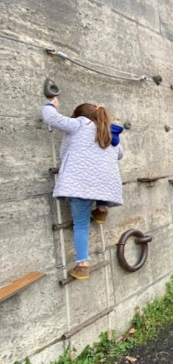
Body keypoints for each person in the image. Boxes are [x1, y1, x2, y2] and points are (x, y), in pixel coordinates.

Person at [42, 98, 124, 280]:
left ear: (80, 115)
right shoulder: (110, 133)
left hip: (80, 185)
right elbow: (119, 154)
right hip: (104, 186)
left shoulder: (79, 123)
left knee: (81, 225)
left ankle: (82, 265)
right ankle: (101, 210)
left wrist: (52, 103)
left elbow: (50, 118)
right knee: (101, 183)